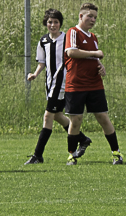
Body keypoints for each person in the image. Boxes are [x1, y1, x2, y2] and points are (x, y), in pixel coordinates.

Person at [24, 9, 92, 165]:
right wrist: (35, 74)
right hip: (50, 83)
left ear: (60, 23)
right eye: (50, 22)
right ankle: (82, 139)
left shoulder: (67, 38)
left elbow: (77, 54)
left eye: (56, 22)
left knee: (48, 116)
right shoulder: (43, 41)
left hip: (63, 83)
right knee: (57, 115)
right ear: (46, 23)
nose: (52, 25)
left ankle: (37, 155)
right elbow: (42, 62)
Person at [63, 3, 123, 166]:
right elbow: (71, 52)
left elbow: (94, 58)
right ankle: (71, 155)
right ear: (80, 16)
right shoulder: (73, 32)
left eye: (95, 17)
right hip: (76, 84)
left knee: (103, 117)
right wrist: (95, 53)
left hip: (94, 84)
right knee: (76, 120)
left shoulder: (93, 37)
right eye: (89, 16)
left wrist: (100, 66)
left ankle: (116, 153)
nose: (93, 19)